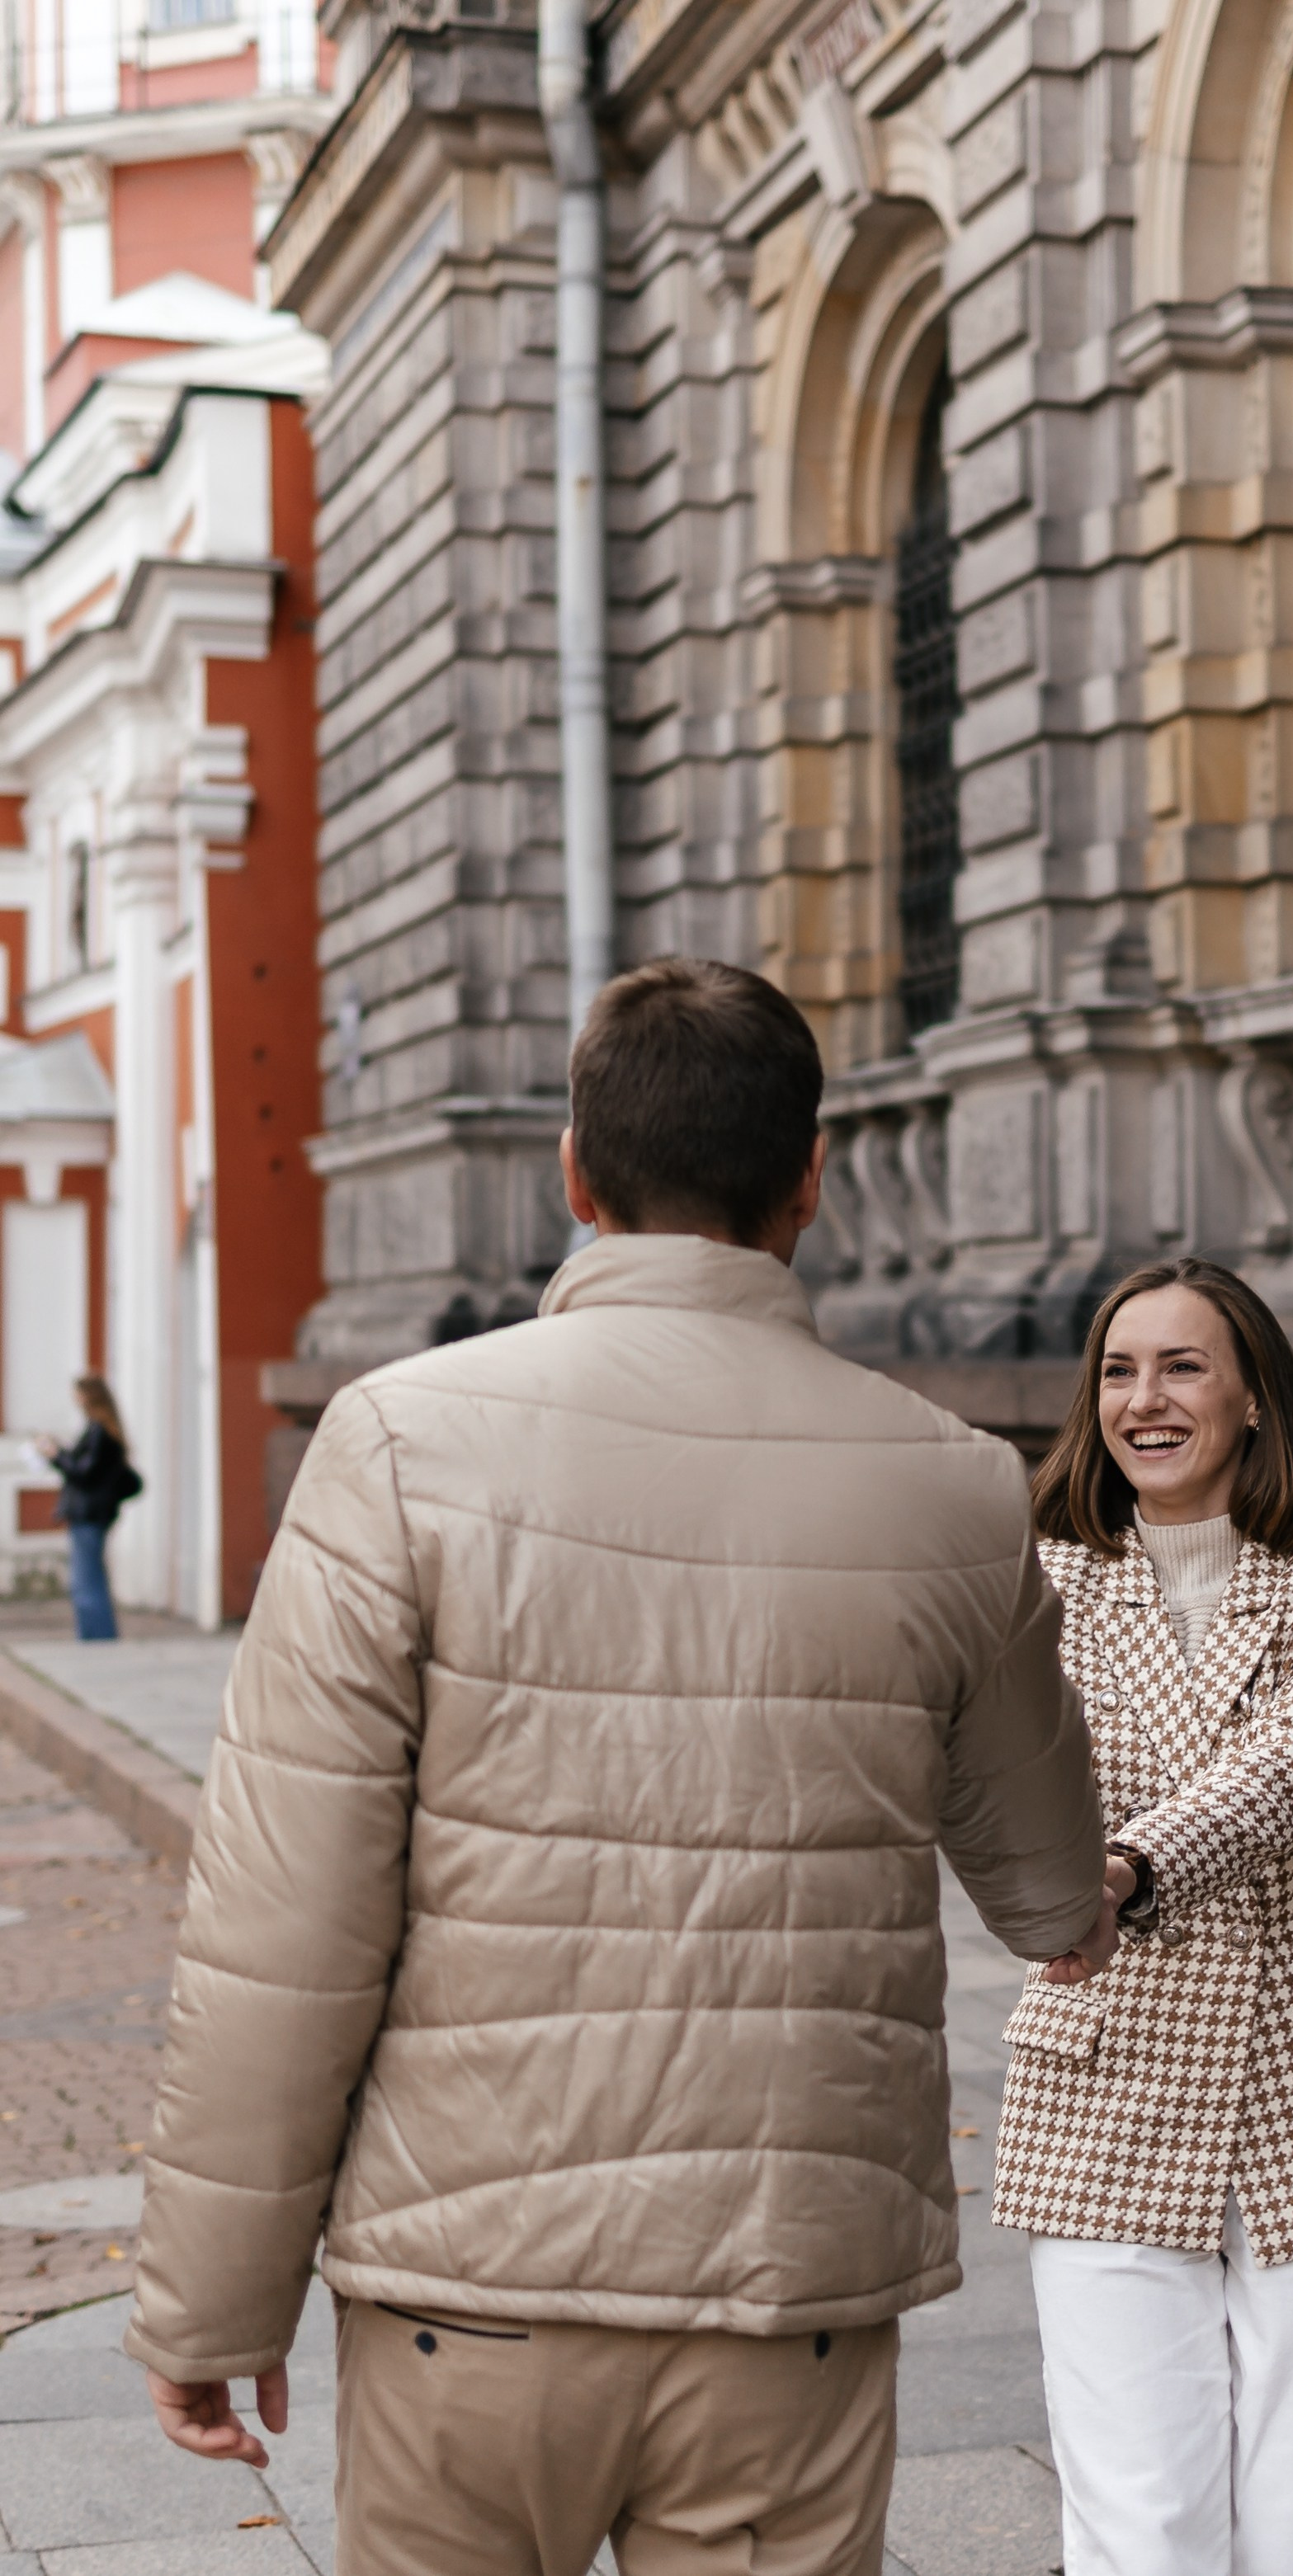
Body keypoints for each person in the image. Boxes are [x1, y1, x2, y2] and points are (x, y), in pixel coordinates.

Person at [125, 956, 1113, 2576]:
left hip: (470, 2286)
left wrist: (213, 2291)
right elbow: (1053, 1885)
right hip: (784, 2298)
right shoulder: (954, 1484)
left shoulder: (392, 1443)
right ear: (810, 1179)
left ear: (575, 1174)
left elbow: (283, 1921)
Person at [990, 1257, 1293, 2576]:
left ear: (1252, 1397)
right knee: (1144, 2528)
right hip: (1106, 2078)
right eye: (1118, 1369)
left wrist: (1123, 1869)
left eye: (1182, 1365)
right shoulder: (1036, 1588)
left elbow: (1289, 1773)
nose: (1145, 1397)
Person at [36, 1375, 140, 1641]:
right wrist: (61, 1452)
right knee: (88, 1577)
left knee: (86, 1580)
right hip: (94, 1513)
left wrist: (55, 1456)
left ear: (88, 1396)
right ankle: (95, 1636)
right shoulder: (101, 1430)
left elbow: (85, 1474)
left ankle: (99, 1637)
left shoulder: (100, 1431)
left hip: (90, 1514)